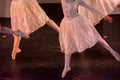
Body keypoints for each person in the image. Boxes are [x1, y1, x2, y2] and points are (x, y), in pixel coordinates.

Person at [60, 0, 120, 78]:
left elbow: (91, 8)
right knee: (68, 44)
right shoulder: (63, 0)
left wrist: (104, 16)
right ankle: (67, 66)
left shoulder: (78, 1)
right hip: (66, 24)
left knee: (97, 38)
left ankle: (112, 51)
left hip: (78, 23)